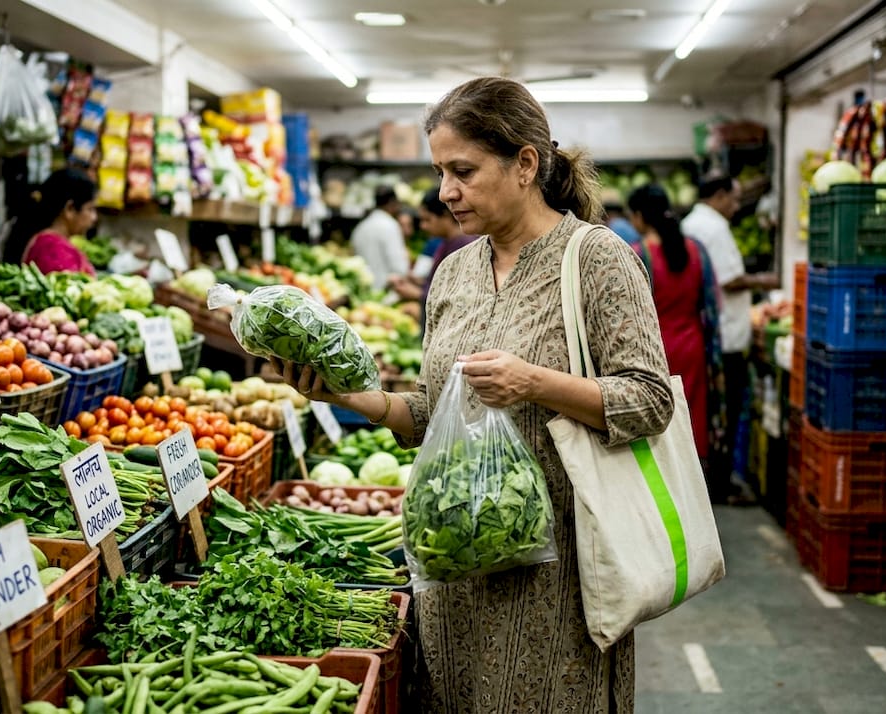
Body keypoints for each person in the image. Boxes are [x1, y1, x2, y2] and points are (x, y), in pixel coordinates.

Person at [271, 76, 673, 713]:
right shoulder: (453, 271)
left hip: (558, 577)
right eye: (438, 172)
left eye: (462, 170)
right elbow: (433, 411)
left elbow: (650, 399)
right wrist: (356, 398)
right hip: (454, 571)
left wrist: (533, 382)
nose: (445, 192)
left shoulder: (597, 259)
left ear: (525, 164)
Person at [680, 173, 776, 501]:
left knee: (713, 413)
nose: (735, 207)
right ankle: (721, 485)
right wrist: (765, 281)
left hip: (713, 332)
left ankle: (711, 481)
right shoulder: (713, 227)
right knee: (727, 412)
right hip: (727, 337)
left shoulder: (693, 223)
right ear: (719, 195)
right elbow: (730, 279)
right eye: (733, 199)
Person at [627, 184, 723, 467]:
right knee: (691, 423)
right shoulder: (696, 251)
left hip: (655, 353)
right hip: (693, 350)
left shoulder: (638, 254)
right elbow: (712, 309)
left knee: (661, 426)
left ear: (641, 216)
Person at [388, 188, 478, 318]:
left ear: (445, 216)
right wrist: (416, 281)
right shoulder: (445, 243)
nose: (423, 226)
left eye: (427, 220)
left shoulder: (465, 246)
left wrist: (417, 294)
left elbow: (459, 299)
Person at [0, 168, 98, 275]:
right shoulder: (54, 252)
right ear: (69, 209)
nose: (94, 218)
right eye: (90, 209)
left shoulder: (48, 243)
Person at [350, 187, 410, 290]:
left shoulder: (360, 227)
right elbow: (400, 267)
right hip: (387, 293)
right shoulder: (390, 225)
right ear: (392, 203)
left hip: (364, 291)